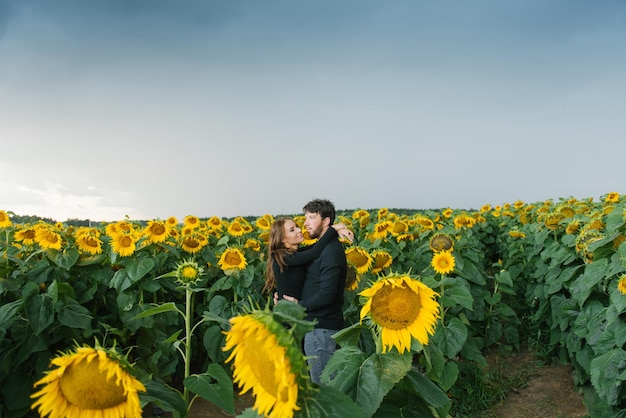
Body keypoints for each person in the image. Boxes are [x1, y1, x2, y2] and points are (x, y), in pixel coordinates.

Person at [282, 198, 348, 385]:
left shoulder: (331, 252)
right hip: (315, 327)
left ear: (326, 221)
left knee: (324, 388)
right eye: (306, 218)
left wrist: (298, 306)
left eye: (311, 218)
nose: (305, 223)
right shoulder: (321, 248)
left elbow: (327, 294)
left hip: (322, 328)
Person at [263, 217, 352, 300]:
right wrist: (334, 228)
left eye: (297, 226)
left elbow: (318, 245)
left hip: (299, 310)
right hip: (288, 313)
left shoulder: (296, 254)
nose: (299, 230)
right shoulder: (282, 256)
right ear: (282, 239)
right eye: (292, 230)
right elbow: (315, 252)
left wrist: (338, 232)